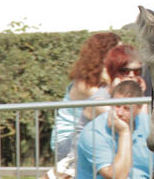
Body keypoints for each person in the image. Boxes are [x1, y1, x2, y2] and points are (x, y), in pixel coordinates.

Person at [51, 32, 121, 163]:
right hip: (66, 144)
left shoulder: (105, 82)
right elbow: (108, 110)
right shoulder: (83, 84)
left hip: (87, 137)